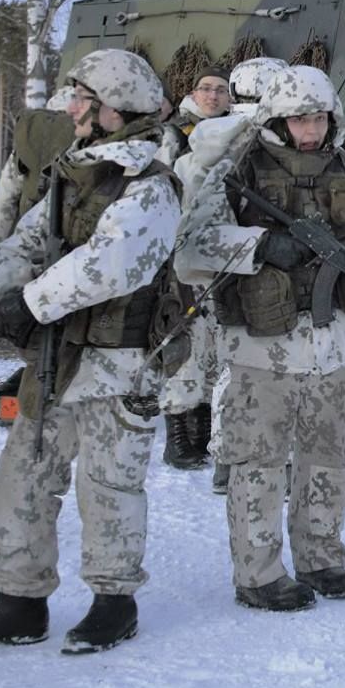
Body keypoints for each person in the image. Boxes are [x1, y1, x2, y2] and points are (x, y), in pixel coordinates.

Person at [0, 49, 182, 654]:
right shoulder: (71, 170)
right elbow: (30, 237)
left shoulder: (149, 181)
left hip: (117, 359)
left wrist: (29, 304)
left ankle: (113, 600)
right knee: (23, 475)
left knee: (109, 486)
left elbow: (113, 265)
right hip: (55, 355)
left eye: (83, 99)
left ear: (113, 109)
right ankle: (18, 600)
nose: (71, 109)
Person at [175, 64, 345, 612]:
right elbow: (190, 248)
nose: (311, 129)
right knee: (257, 460)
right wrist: (258, 245)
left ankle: (321, 558)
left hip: (339, 343)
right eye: (300, 118)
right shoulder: (238, 168)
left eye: (320, 117)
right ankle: (258, 574)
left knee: (329, 456)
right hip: (263, 348)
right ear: (277, 118)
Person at [178, 56, 287, 497]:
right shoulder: (263, 144)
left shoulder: (202, 146)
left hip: (214, 274)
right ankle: (257, 458)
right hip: (266, 271)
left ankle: (226, 457)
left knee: (231, 369)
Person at [157, 69, 233, 468]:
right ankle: (176, 436)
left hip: (225, 254)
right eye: (206, 89)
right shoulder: (175, 136)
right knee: (184, 342)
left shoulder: (239, 134)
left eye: (221, 90)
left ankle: (202, 430)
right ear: (193, 94)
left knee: (216, 344)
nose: (213, 95)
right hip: (182, 251)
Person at [0, 85, 77, 251]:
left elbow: (6, 195)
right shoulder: (84, 137)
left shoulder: (29, 140)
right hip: (71, 236)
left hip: (27, 234)